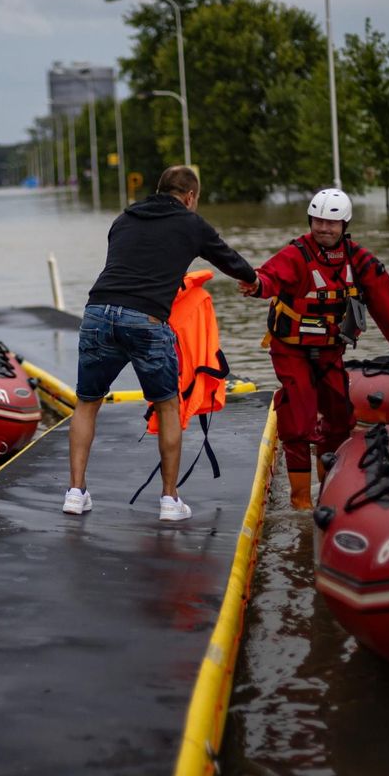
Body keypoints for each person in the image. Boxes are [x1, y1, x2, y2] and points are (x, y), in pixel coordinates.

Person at [64, 165, 257, 521]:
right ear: (190, 197)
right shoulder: (190, 223)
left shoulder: (124, 219)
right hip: (146, 320)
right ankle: (170, 500)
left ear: (158, 190)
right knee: (168, 405)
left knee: (86, 403)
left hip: (97, 312)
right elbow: (228, 259)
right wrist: (255, 282)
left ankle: (76, 492)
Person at [238, 188, 389, 509]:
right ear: (310, 220)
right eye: (318, 221)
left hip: (330, 351)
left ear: (345, 226)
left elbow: (383, 299)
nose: (324, 228)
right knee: (299, 419)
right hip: (291, 350)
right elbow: (268, 277)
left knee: (339, 417)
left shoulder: (358, 259)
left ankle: (328, 489)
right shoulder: (296, 254)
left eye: (332, 223)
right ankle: (300, 502)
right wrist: (256, 286)